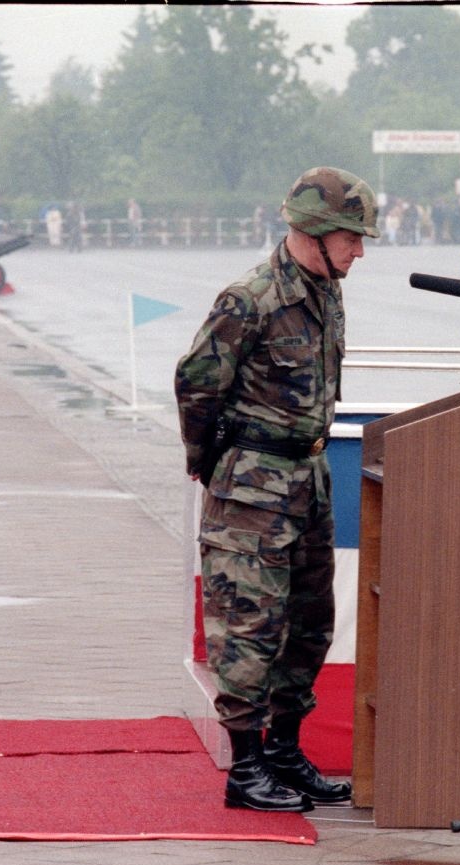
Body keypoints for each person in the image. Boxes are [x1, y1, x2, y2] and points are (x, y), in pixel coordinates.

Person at [174, 167, 380, 813]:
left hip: (309, 479)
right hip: (253, 489)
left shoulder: (326, 290)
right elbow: (196, 385)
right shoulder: (250, 299)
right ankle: (247, 768)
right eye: (352, 237)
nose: (360, 251)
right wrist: (213, 465)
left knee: (310, 625)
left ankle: (286, 752)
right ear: (315, 232)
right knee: (249, 628)